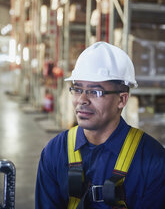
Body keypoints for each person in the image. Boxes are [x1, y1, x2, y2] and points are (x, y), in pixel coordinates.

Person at [35, 41, 165, 209]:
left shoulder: (153, 160)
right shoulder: (54, 153)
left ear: (122, 99)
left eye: (95, 92)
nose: (82, 100)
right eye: (77, 89)